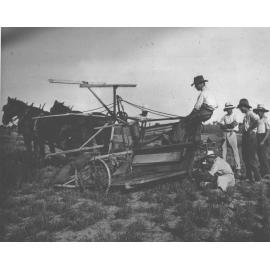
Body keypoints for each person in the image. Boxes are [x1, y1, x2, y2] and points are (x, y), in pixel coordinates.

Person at [184, 75, 218, 177]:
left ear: (201, 84)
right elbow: (215, 105)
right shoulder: (209, 92)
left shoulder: (202, 93)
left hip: (205, 111)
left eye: (196, 85)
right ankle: (195, 136)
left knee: (190, 120)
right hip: (209, 111)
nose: (195, 87)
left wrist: (188, 117)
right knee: (196, 121)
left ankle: (193, 137)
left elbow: (196, 107)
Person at [237, 98, 261, 182]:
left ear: (244, 106)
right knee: (245, 157)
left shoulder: (250, 113)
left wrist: (250, 129)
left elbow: (257, 120)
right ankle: (249, 177)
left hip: (251, 137)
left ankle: (257, 179)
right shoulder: (246, 115)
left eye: (240, 107)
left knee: (251, 158)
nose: (240, 109)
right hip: (246, 137)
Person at [219, 102, 241, 176]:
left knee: (235, 150)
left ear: (232, 109)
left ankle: (238, 168)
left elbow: (234, 124)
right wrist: (225, 126)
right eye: (227, 109)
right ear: (226, 109)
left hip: (232, 133)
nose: (229, 110)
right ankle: (223, 168)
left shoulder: (235, 115)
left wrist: (226, 126)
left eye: (230, 109)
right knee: (223, 150)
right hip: (225, 133)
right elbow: (220, 124)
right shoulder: (224, 116)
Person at [253, 104, 270, 177]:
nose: (259, 112)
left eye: (260, 111)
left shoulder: (266, 119)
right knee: (259, 155)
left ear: (263, 112)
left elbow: (268, 131)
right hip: (257, 136)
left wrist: (263, 140)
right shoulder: (257, 119)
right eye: (258, 111)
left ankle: (266, 171)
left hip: (263, 137)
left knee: (264, 155)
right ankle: (262, 171)